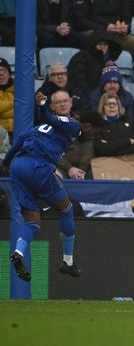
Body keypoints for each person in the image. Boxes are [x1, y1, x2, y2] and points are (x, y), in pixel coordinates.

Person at [4, 91, 81, 282]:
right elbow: (47, 115)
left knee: (32, 222)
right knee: (66, 209)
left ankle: (18, 252)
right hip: (38, 166)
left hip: (17, 167)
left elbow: (19, 139)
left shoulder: (37, 129)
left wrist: (6, 161)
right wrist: (42, 104)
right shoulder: (73, 125)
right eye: (59, 102)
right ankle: (68, 261)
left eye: (65, 101)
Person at [0, 57, 14, 136]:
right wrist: (15, 102)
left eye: (4, 71)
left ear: (9, 73)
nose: (1, 74)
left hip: (18, 131)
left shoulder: (19, 88)